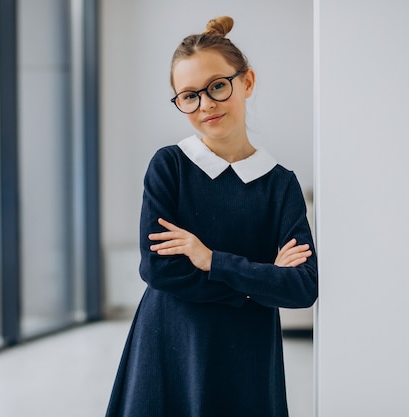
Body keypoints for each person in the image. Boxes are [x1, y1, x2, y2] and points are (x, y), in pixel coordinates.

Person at [105, 16, 318, 417]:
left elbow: (302, 288)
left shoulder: (280, 185)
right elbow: (159, 270)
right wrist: (259, 279)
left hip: (247, 355)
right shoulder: (170, 166)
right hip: (171, 345)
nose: (206, 105)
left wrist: (211, 259)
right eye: (189, 96)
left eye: (217, 86)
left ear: (247, 82)